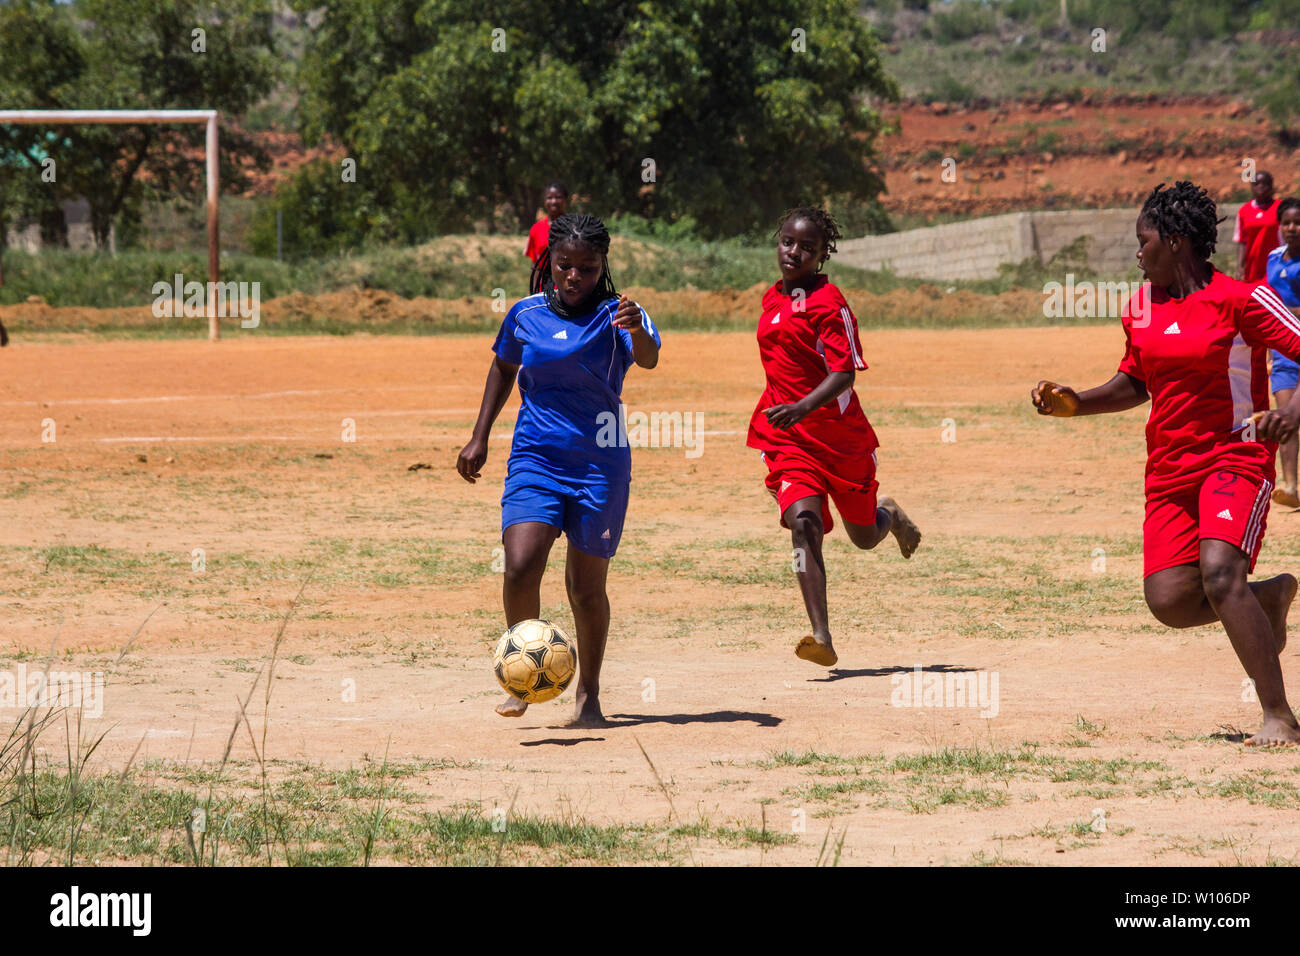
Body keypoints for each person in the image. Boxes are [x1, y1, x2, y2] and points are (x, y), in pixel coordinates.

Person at [1033, 181, 1300, 746]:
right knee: (1171, 602)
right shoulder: (1140, 308)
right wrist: (1078, 402)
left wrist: (1291, 414)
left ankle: (1278, 714)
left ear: (1176, 242)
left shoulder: (1241, 299)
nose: (1137, 253)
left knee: (1221, 573)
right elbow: (1135, 382)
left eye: (1143, 240)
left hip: (1235, 454)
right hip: (1169, 471)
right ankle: (1270, 596)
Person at [458, 213, 660, 726]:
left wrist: (639, 330)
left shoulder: (621, 314)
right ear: (549, 263)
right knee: (520, 564)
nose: (574, 278)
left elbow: (650, 358)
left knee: (585, 589)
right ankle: (521, 679)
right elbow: (504, 366)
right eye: (564, 266)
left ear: (602, 267)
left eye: (587, 268)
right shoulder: (524, 313)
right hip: (537, 458)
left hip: (600, 465)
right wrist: (479, 436)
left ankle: (588, 696)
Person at [747, 206, 921, 668]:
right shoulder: (771, 299)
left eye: (807, 247)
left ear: (823, 255)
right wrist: (789, 412)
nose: (794, 253)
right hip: (788, 439)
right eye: (787, 242)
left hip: (842, 441)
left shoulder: (831, 303)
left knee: (864, 537)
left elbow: (845, 372)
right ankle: (821, 635)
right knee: (804, 524)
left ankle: (891, 515)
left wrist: (804, 405)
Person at [1266, 197, 1300, 507]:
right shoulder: (1273, 259)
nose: (1292, 228)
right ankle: (1291, 485)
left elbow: (1276, 311)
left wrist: (1286, 313)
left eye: (1297, 222)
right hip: (1284, 355)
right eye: (1287, 222)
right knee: (1286, 417)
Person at [1236, 170, 1279, 283]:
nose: (1261, 186)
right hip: (1252, 270)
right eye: (1256, 184)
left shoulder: (1280, 208)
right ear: (1251, 187)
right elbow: (1241, 241)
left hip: (1276, 268)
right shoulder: (1244, 211)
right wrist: (1240, 267)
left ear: (1271, 186)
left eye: (1265, 183)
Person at [524, 182, 569, 265]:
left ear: (566, 199)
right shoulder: (536, 229)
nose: (554, 201)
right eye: (549, 198)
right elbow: (535, 263)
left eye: (558, 197)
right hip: (544, 277)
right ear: (544, 201)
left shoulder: (575, 226)